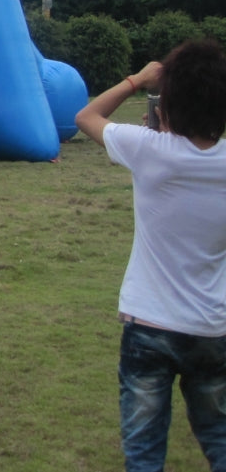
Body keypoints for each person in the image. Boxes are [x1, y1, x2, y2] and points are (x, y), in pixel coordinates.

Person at [75, 38, 226, 472]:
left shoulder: (147, 149)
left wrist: (136, 80)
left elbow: (86, 117)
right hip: (211, 328)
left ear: (170, 101)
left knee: (143, 452)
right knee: (218, 435)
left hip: (149, 326)